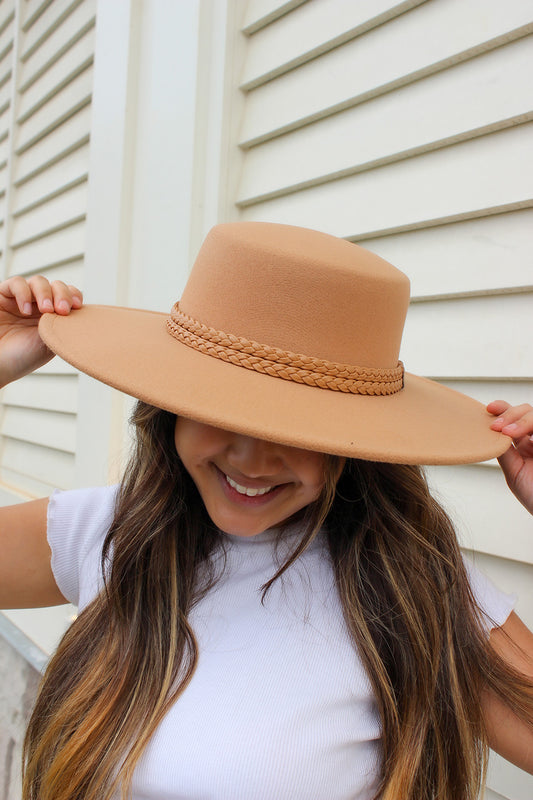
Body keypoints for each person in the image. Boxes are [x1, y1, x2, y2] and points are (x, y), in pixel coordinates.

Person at [0, 222, 531, 800]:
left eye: (300, 428)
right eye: (219, 408)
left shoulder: (415, 582)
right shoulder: (109, 530)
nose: (251, 461)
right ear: (170, 406)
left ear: (355, 442)